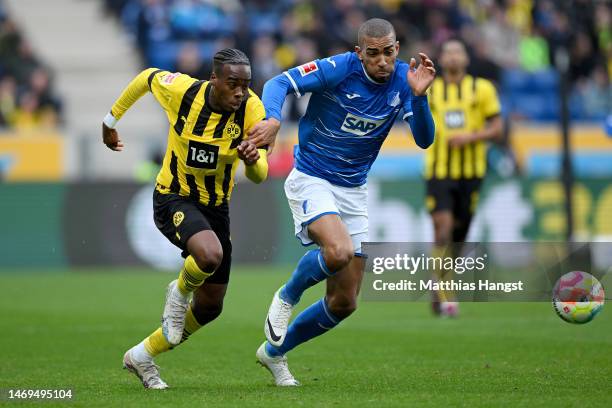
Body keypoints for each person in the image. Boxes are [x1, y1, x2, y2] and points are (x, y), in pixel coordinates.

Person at [247, 18, 436, 386]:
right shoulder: (338, 69)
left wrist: (419, 96)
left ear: (397, 49)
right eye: (373, 54)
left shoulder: (405, 79)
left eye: (389, 52)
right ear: (359, 53)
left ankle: (273, 353)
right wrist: (272, 119)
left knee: (344, 302)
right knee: (338, 252)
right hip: (312, 178)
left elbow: (425, 140)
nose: (382, 60)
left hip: (354, 190)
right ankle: (287, 296)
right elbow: (278, 82)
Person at [101, 48, 269, 389]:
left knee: (210, 306)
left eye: (246, 84)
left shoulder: (252, 109)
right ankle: (177, 294)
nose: (240, 91)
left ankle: (142, 356)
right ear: (214, 80)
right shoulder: (183, 91)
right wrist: (110, 122)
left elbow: (260, 174)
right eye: (233, 83)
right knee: (209, 254)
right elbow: (146, 77)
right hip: (173, 196)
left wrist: (252, 159)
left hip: (217, 207)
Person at [424, 39, 502, 317]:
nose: (453, 56)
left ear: (466, 58)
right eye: (448, 52)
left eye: (458, 51)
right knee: (442, 228)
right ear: (441, 60)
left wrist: (471, 136)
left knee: (458, 237)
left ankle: (440, 282)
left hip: (472, 172)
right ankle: (446, 291)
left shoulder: (482, 89)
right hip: (439, 170)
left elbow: (497, 128)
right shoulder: (431, 89)